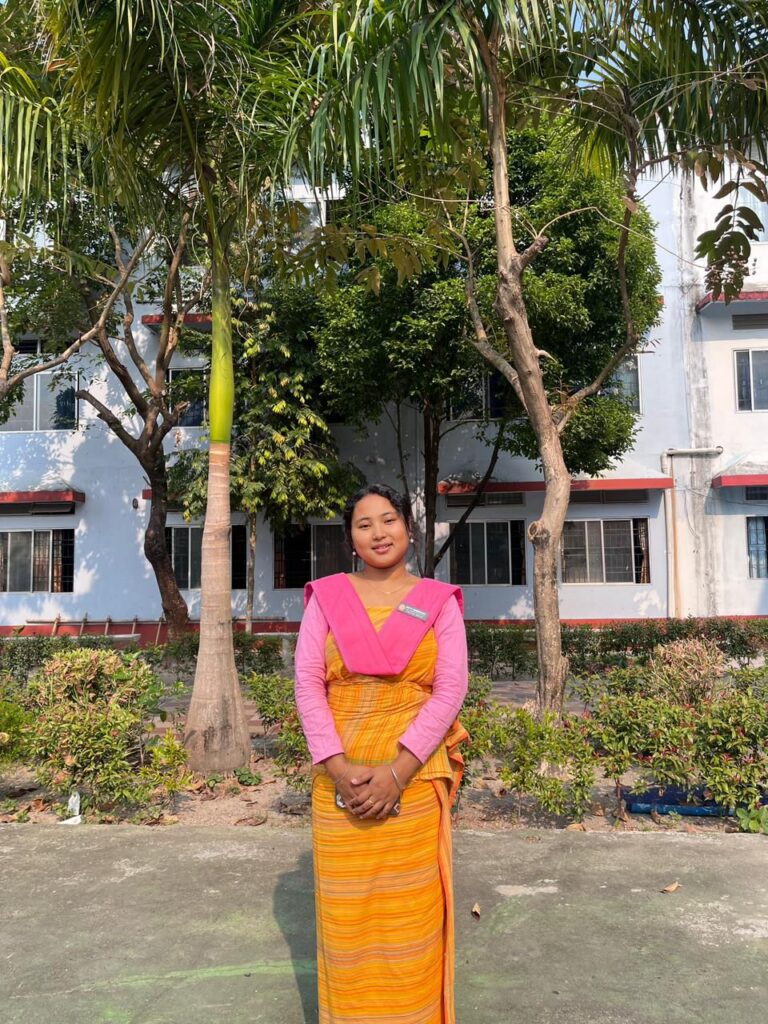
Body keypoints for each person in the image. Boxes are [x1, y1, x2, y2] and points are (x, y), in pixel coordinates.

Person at [294, 483, 468, 1024]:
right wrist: (338, 768)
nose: (378, 533)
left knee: (410, 920)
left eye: (388, 519)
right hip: (339, 787)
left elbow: (451, 688)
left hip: (413, 785)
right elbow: (307, 682)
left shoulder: (438, 601)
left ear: (408, 529)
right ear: (351, 538)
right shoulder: (327, 598)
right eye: (364, 524)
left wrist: (399, 771)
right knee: (346, 923)